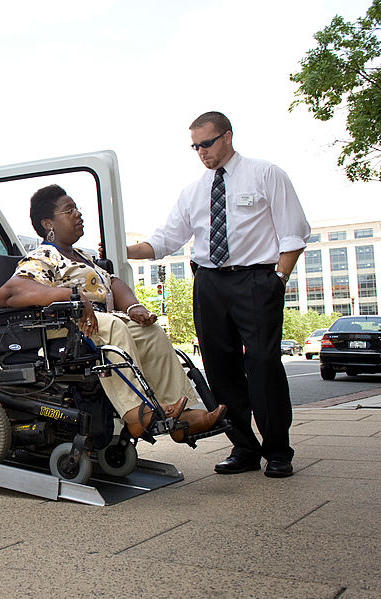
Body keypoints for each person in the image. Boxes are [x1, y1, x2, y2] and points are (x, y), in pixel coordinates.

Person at [126, 111, 310, 478]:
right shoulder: (193, 191)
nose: (201, 152)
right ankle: (243, 449)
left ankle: (277, 451)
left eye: (206, 143)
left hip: (256, 281)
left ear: (227, 136)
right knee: (221, 369)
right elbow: (165, 240)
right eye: (195, 146)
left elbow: (294, 231)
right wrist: (120, 247)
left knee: (263, 365)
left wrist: (278, 279)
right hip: (209, 283)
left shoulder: (266, 173)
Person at [0, 184, 225, 441]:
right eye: (69, 210)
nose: (78, 214)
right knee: (114, 327)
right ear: (48, 222)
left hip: (102, 322)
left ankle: (179, 413)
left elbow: (113, 283)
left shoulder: (83, 257)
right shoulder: (43, 256)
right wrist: (69, 295)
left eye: (77, 209)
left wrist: (133, 306)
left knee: (150, 330)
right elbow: (9, 293)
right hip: (68, 328)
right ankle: (136, 413)